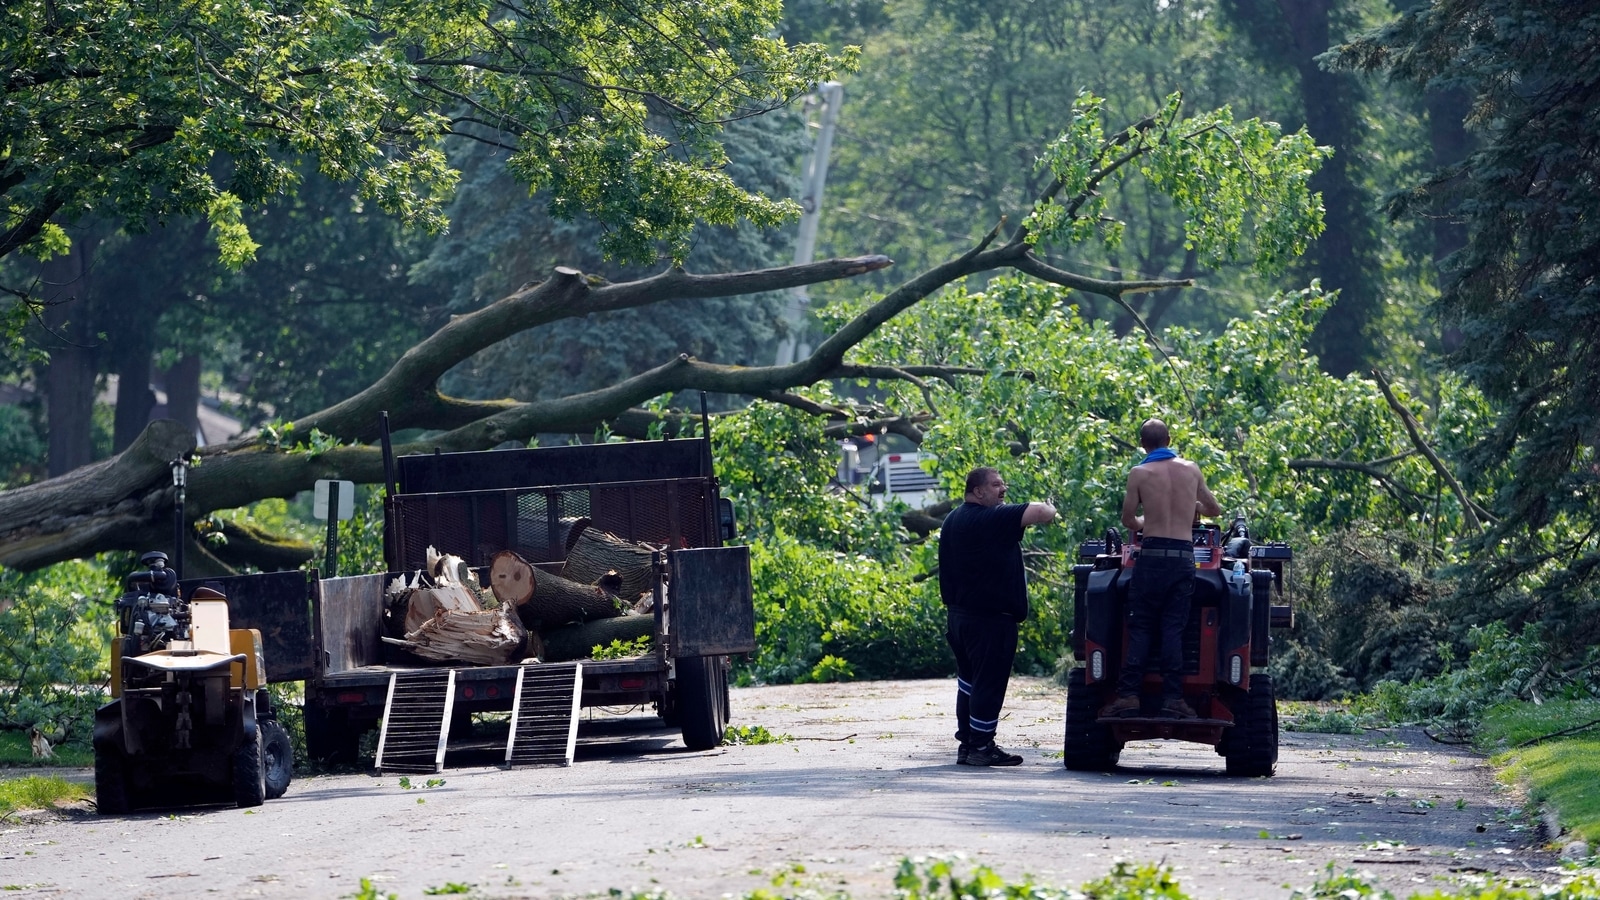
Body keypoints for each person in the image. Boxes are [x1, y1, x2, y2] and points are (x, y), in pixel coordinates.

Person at [938, 466, 1056, 766]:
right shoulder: (988, 517)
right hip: (989, 620)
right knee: (988, 683)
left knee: (969, 683)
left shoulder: (953, 518)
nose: (1003, 490)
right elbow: (1042, 512)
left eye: (1004, 484)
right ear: (978, 491)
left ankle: (968, 744)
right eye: (996, 485)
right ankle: (981, 746)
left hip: (960, 617)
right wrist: (1052, 505)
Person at [1104, 419, 1222, 719]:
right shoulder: (1191, 469)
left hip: (1152, 556)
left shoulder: (1139, 473)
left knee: (1141, 626)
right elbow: (1214, 509)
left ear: (1143, 444)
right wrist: (1189, 505)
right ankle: (1174, 698)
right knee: (1174, 628)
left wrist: (1146, 522)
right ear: (1169, 439)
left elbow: (1128, 520)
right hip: (1182, 557)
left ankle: (1129, 695)